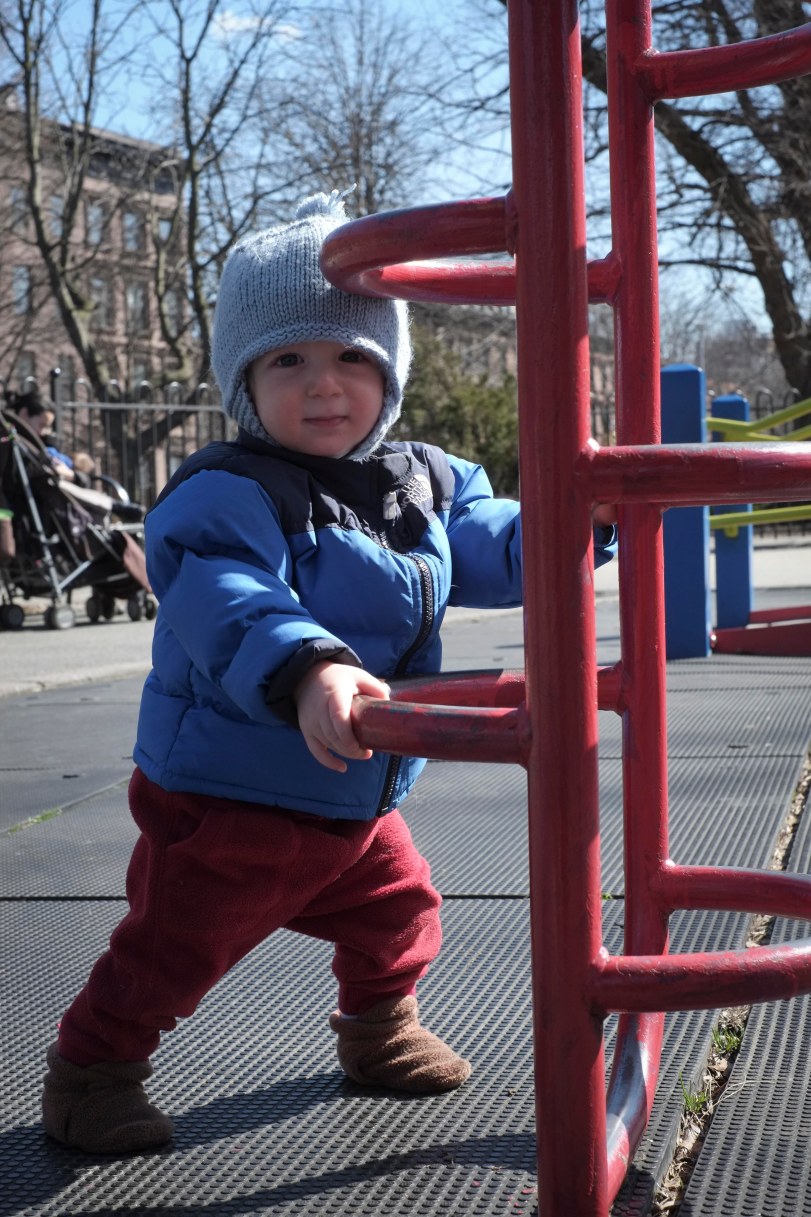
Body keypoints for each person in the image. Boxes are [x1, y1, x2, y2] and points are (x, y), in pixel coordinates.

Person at [40, 191, 617, 1155]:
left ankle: (376, 1028)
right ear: (244, 378)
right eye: (288, 360)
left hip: (351, 783)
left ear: (388, 374)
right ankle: (93, 1066)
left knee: (401, 909)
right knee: (176, 947)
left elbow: (495, 546)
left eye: (354, 356)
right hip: (232, 790)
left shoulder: (425, 482)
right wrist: (311, 665)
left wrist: (580, 521)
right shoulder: (223, 492)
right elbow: (230, 596)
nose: (324, 385)